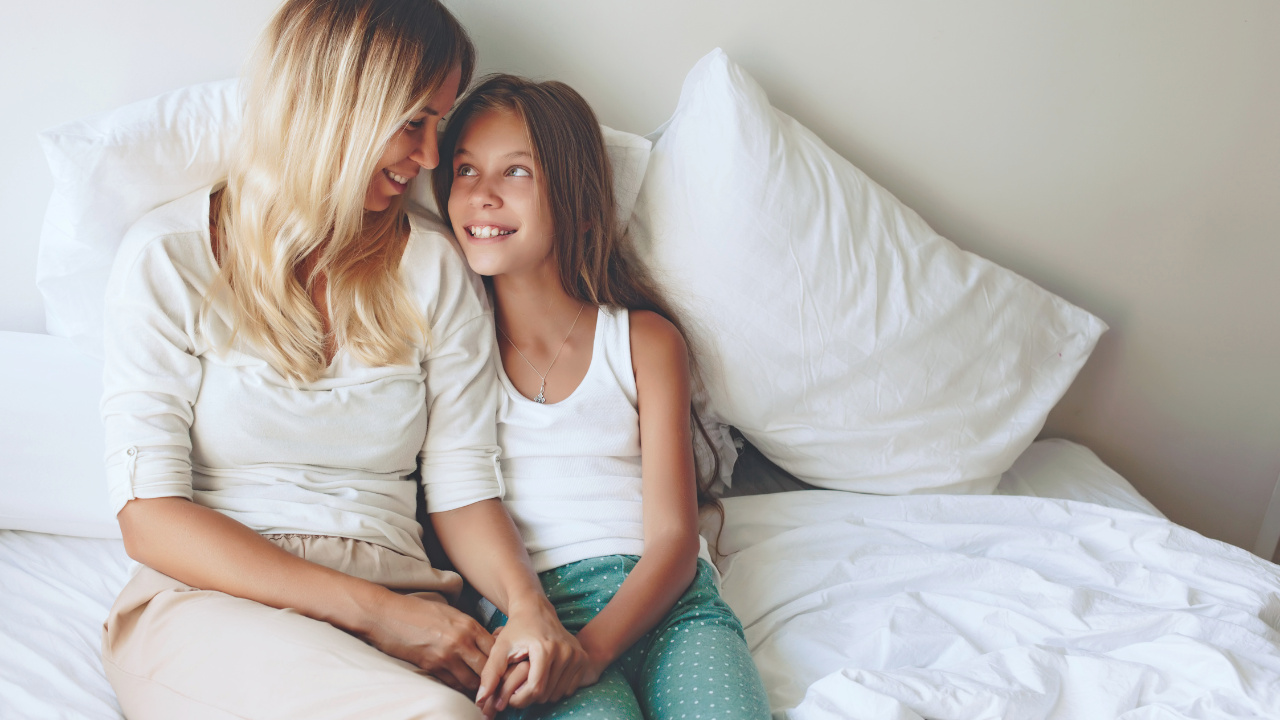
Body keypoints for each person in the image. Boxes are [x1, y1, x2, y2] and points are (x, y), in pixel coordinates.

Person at [99, 2, 589, 718]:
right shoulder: (168, 259)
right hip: (212, 600)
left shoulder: (434, 268)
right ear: (337, 104)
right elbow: (149, 516)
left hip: (409, 605)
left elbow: (460, 484)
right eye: (412, 122)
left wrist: (525, 606)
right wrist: (375, 614)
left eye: (438, 127)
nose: (428, 159)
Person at [433, 75, 772, 720]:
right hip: (535, 614)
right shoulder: (452, 352)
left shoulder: (643, 340)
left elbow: (673, 540)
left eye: (517, 172)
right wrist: (559, 644)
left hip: (672, 604)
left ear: (574, 195)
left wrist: (592, 652)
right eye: (466, 170)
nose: (481, 194)